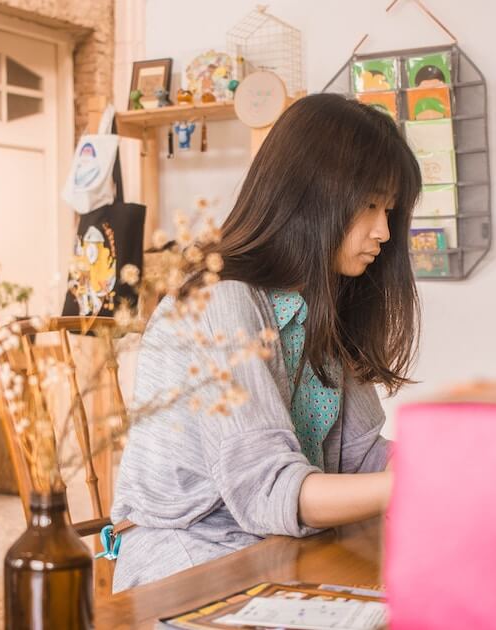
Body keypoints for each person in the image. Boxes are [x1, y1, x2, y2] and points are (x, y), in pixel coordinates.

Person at [109, 93, 423, 590]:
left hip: (278, 551)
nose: (384, 230)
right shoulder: (219, 304)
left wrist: (453, 461)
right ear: (308, 195)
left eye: (389, 208)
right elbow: (268, 491)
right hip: (191, 562)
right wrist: (416, 484)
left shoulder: (319, 304)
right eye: (368, 204)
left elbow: (358, 458)